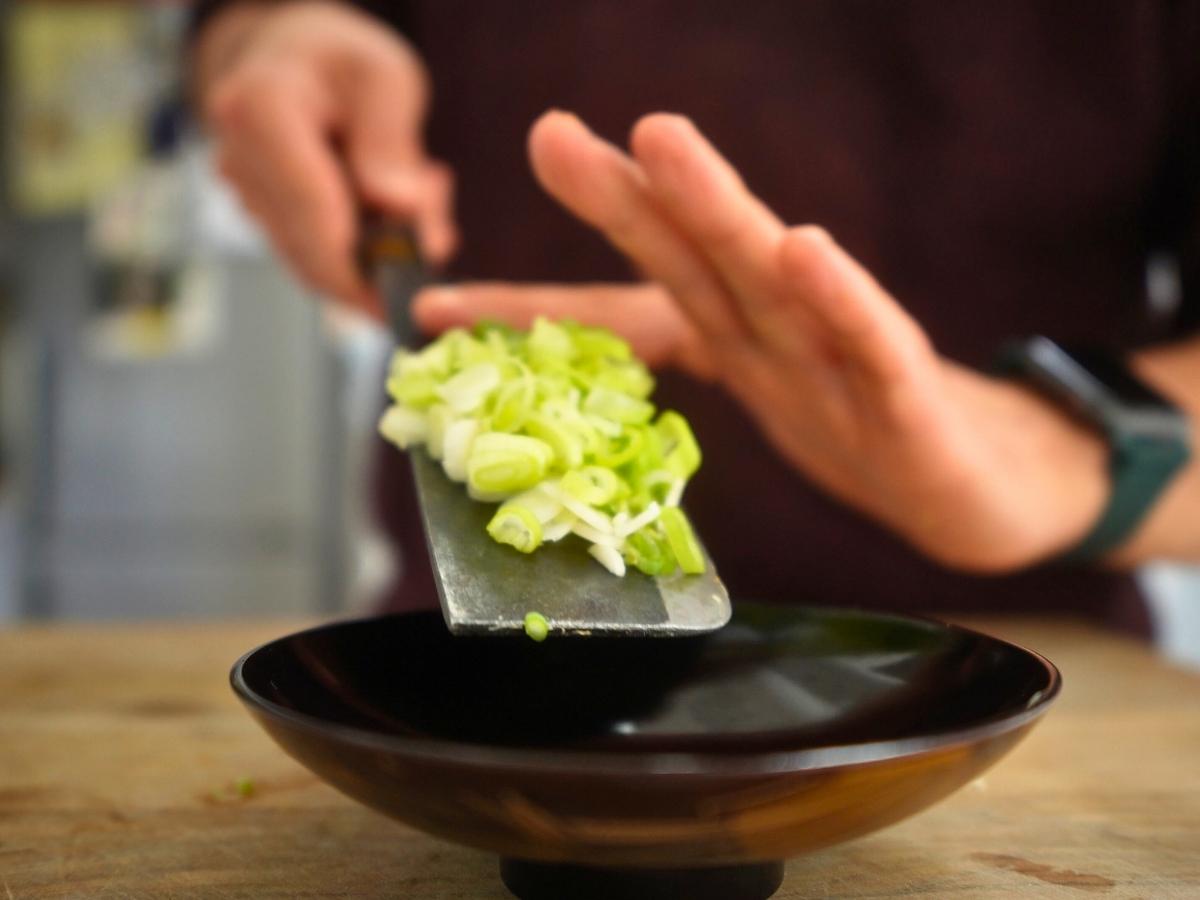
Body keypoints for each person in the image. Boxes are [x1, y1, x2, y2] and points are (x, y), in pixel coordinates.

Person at [190, 1, 1200, 634]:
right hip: (475, 682)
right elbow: (268, 24)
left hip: (1021, 691)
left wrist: (1065, 455)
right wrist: (271, 31)